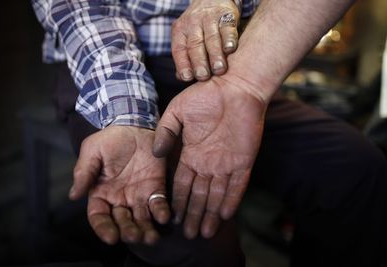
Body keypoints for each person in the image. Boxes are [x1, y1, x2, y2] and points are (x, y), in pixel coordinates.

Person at [32, 0, 387, 266]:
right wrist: (128, 116)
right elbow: (80, 10)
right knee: (190, 241)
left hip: (226, 67)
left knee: (357, 170)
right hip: (106, 68)